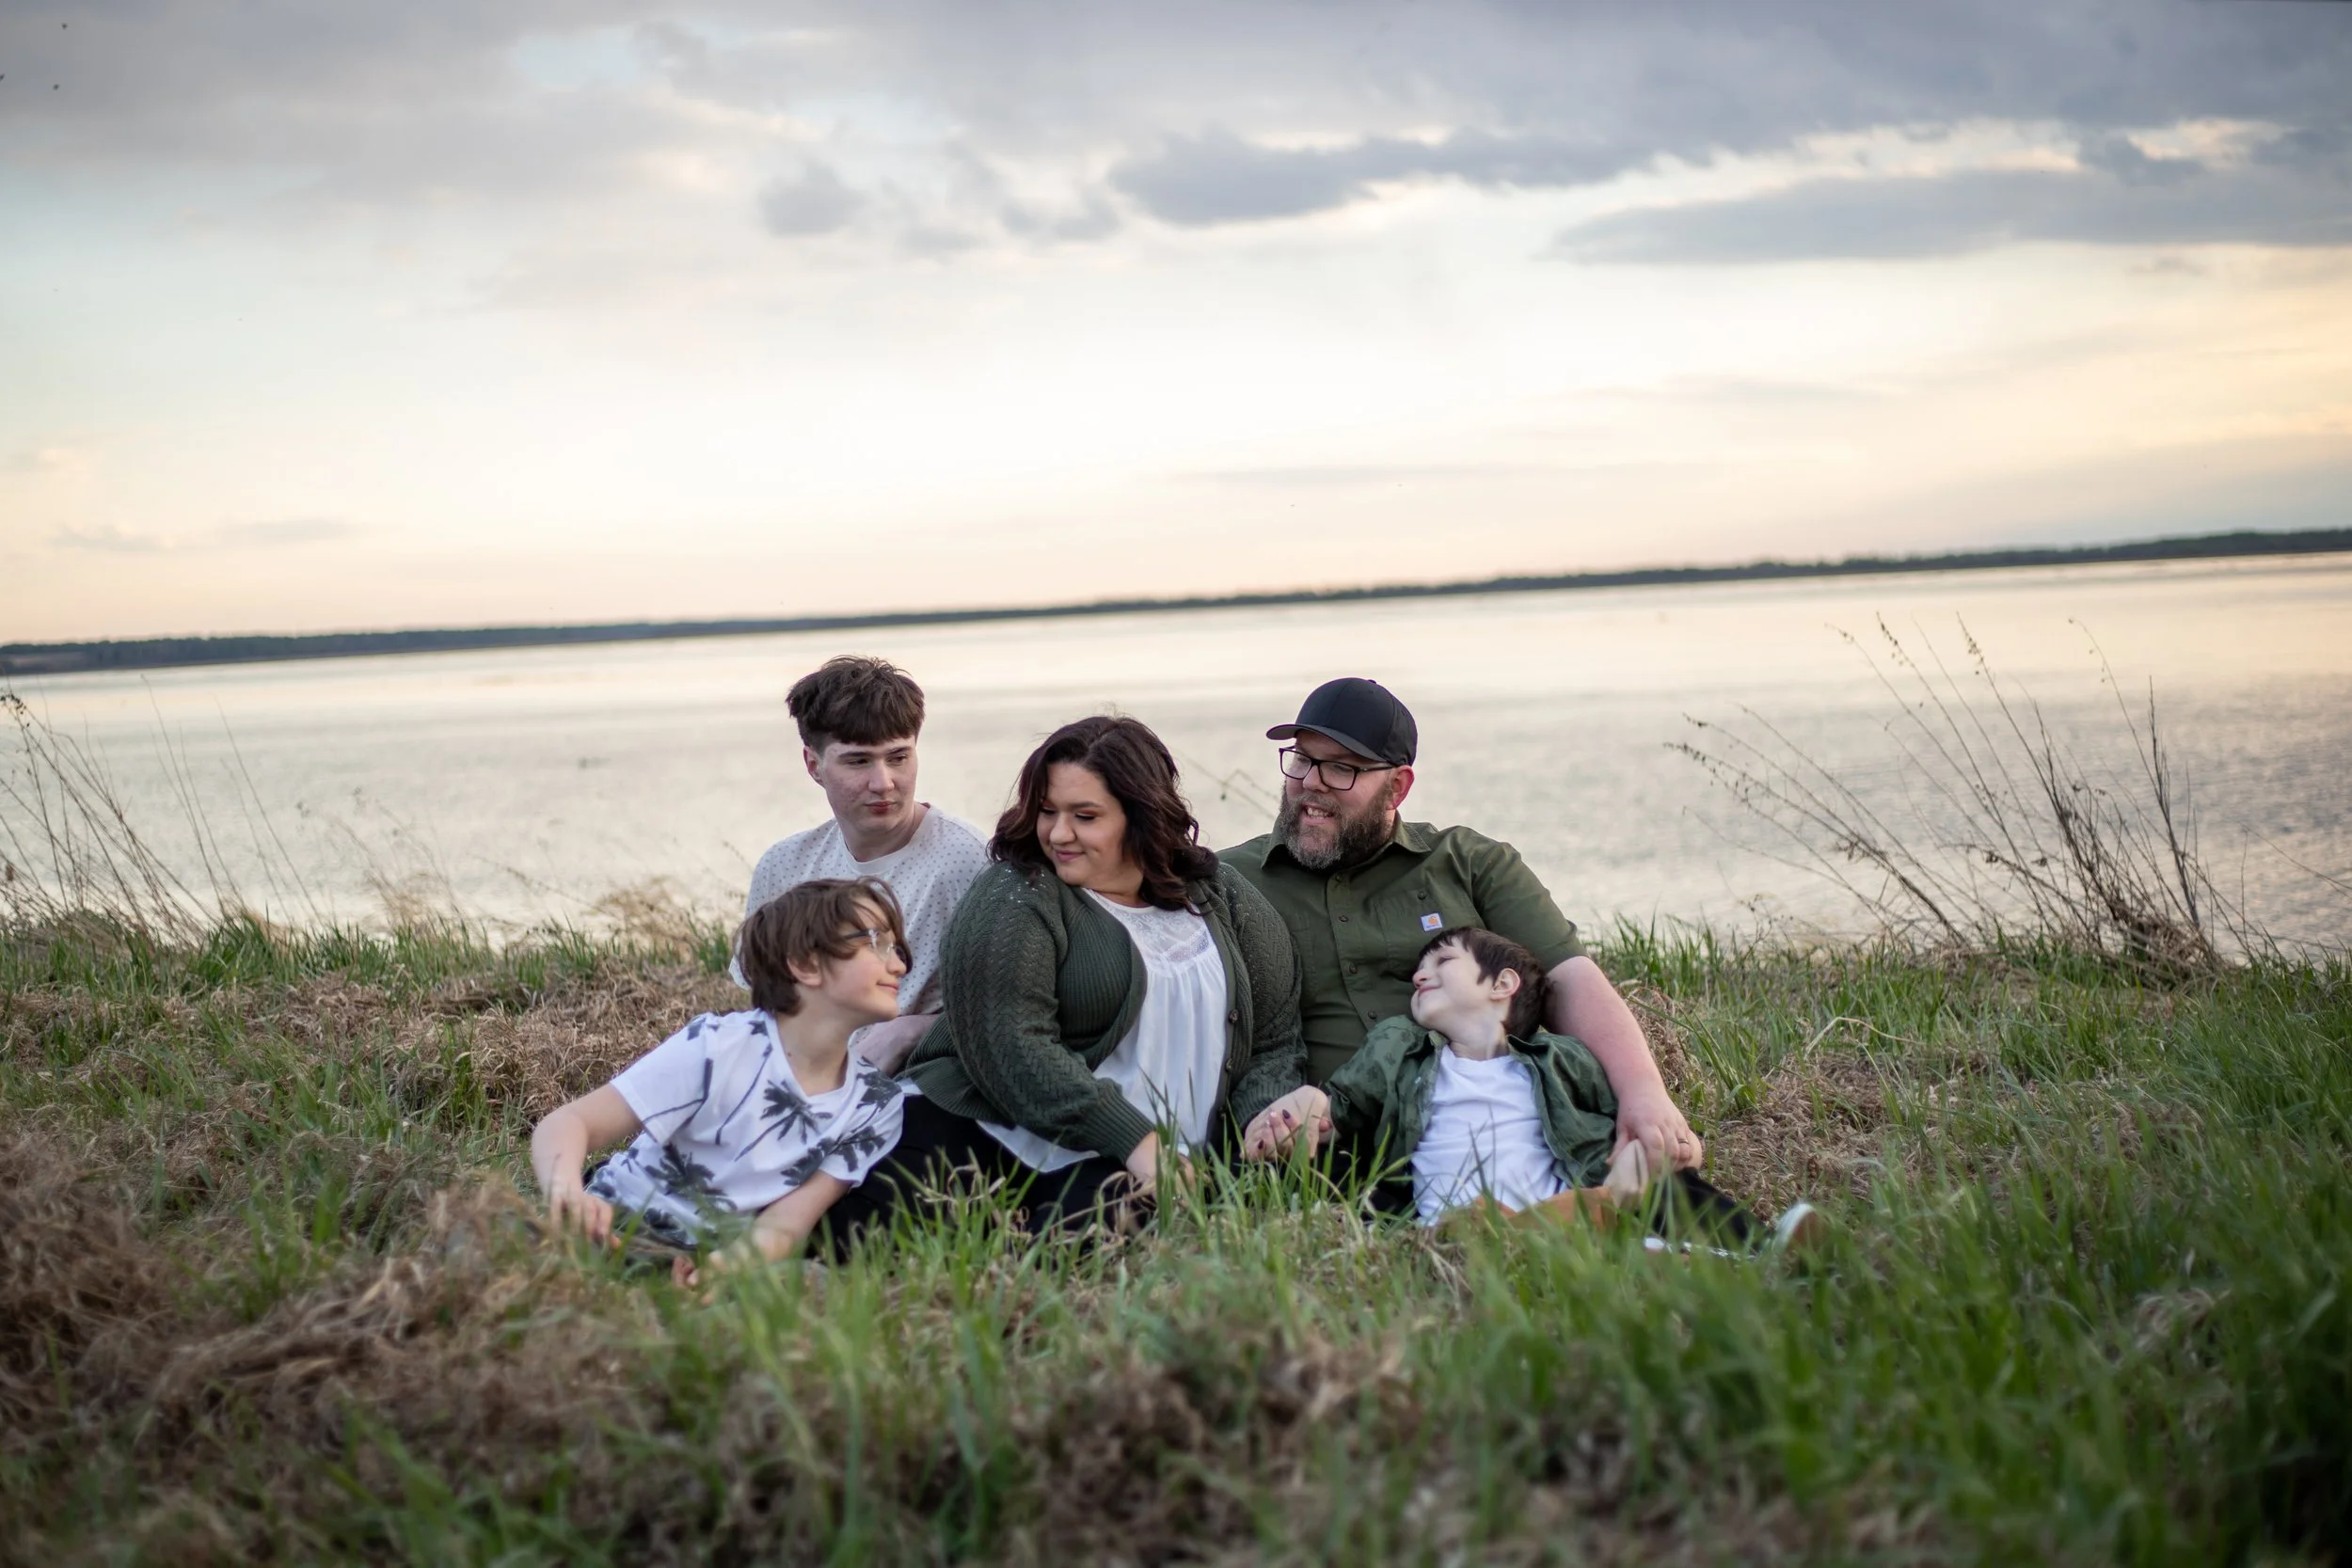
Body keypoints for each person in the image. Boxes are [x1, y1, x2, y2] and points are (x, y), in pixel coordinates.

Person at [1222, 677, 1708, 1175]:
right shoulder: (1229, 881)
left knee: (1653, 1179)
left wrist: (1644, 1094)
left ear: (1398, 787)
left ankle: (1761, 1247)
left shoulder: (1470, 863)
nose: (1312, 781)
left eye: (1342, 768)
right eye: (1302, 759)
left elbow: (1569, 978)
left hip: (1495, 1121)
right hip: (1327, 1144)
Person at [857, 715, 1306, 1234]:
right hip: (985, 1133)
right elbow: (1011, 1045)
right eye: (1048, 811)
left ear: (1141, 817)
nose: (1059, 833)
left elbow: (1275, 1037)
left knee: (1104, 1245)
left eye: (1085, 816)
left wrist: (1261, 1122)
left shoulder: (1221, 895)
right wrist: (1137, 1141)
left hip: (1140, 1163)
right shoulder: (1015, 894)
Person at [1243, 926, 1814, 1248]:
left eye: (1442, 961)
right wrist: (1306, 1104)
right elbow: (1343, 1103)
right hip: (1457, 1225)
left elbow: (1608, 1124)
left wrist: (1660, 1143)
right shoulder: (1400, 1046)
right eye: (1420, 969)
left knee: (1660, 1184)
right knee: (1562, 1226)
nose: (1421, 974)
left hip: (1562, 1209)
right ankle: (1663, 1248)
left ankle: (1763, 1250)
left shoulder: (1559, 1058)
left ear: (1502, 984)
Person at [532, 877, 912, 1281]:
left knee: (817, 1284)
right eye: (875, 942)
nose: (899, 964)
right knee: (487, 1236)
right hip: (611, 1225)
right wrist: (567, 1194)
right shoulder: (718, 1046)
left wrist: (724, 1270)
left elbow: (787, 1223)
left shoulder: (876, 1104)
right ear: (805, 963)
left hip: (704, 1260)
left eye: (897, 947)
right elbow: (570, 1123)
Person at [739, 655, 991, 1073]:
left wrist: (913, 1030)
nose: (884, 783)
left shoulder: (968, 862)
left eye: (898, 757)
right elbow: (764, 1009)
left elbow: (1007, 1013)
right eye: (858, 761)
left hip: (920, 1086)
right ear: (813, 765)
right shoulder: (785, 866)